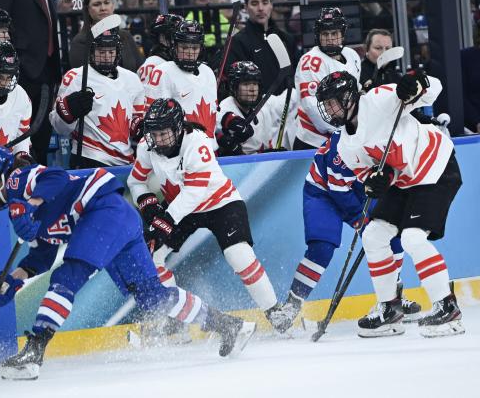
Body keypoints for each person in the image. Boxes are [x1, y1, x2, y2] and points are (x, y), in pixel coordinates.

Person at [0, 146, 257, 380]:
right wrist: (9, 281)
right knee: (153, 298)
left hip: (102, 211)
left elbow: (56, 178)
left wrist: (27, 206)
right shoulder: (19, 210)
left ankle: (34, 350)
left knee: (67, 277)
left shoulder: (18, 179)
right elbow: (40, 257)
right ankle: (228, 325)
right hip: (119, 220)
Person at [315, 70, 464, 338]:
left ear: (350, 97)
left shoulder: (379, 100)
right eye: (326, 105)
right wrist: (376, 181)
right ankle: (390, 310)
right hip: (404, 180)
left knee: (412, 238)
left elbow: (435, 88)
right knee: (373, 236)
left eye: (334, 102)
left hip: (434, 167)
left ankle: (447, 307)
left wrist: (417, 83)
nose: (330, 109)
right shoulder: (345, 146)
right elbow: (368, 177)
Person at [127, 98, 281, 328]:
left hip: (220, 203)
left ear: (179, 128)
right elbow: (135, 181)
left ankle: (274, 311)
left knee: (239, 254)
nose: (158, 140)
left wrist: (166, 220)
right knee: (153, 258)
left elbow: (194, 192)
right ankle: (175, 321)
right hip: (181, 209)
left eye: (164, 133)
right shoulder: (146, 147)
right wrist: (148, 206)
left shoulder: (198, 142)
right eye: (154, 133)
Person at [266, 131, 421, 334]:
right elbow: (338, 190)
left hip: (361, 188)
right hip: (323, 192)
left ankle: (392, 300)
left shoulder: (382, 131)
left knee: (392, 231)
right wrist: (362, 221)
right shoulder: (343, 145)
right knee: (322, 247)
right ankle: (291, 307)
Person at [0, 0, 62, 166]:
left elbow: (48, 24)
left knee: (41, 139)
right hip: (16, 71)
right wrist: (7, 63)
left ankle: (38, 183)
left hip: (46, 68)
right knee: (17, 139)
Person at [52, 30, 144, 168]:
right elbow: (59, 127)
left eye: (111, 52)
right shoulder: (75, 77)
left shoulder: (132, 79)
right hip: (88, 158)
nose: (107, 57)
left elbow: (135, 124)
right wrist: (68, 113)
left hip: (126, 161)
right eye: (101, 52)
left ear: (118, 52)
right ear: (91, 52)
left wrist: (141, 127)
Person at [293, 7, 361, 150]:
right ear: (318, 36)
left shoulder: (352, 55)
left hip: (344, 139)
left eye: (334, 33)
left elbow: (355, 95)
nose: (330, 39)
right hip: (314, 142)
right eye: (325, 34)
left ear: (342, 34)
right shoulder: (310, 61)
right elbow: (312, 106)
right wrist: (347, 131)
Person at [143, 20, 218, 140]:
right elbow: (151, 116)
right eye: (184, 47)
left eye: (194, 48)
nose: (189, 53)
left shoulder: (208, 72)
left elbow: (214, 112)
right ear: (175, 46)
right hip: (181, 148)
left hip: (210, 148)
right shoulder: (162, 72)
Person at [225, 0, 296, 97]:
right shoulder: (237, 42)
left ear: (271, 5)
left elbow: (295, 75)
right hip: (256, 107)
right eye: (254, 3)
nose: (260, 8)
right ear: (246, 8)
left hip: (287, 105)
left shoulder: (286, 38)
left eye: (265, 2)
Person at [216, 61, 297, 155]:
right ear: (234, 87)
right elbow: (217, 121)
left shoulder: (265, 103)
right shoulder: (226, 106)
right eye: (246, 84)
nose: (252, 89)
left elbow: (289, 100)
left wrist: (294, 85)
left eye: (255, 84)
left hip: (260, 162)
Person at [68, 0, 143, 73]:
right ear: (88, 9)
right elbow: (83, 76)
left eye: (107, 3)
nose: (103, 8)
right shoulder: (81, 41)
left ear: (113, 6)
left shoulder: (125, 36)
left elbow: (139, 68)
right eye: (97, 4)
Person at [137, 14, 183, 86]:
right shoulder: (152, 63)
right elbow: (146, 94)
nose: (176, 40)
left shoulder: (183, 60)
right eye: (173, 36)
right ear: (161, 37)